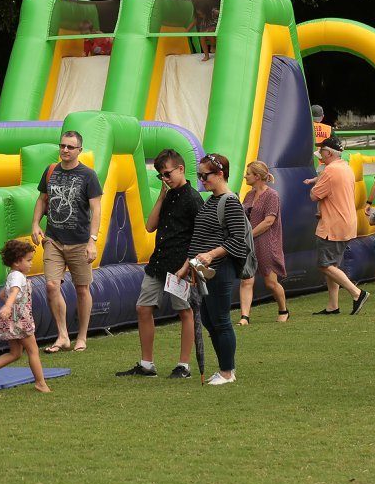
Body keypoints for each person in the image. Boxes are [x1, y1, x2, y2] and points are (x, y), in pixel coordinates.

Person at [117, 149, 202, 378]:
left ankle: (184, 366)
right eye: (160, 176)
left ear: (181, 169)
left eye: (167, 174)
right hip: (158, 263)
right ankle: (147, 365)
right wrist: (162, 195)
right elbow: (150, 226)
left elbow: (200, 237)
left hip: (180, 266)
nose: (165, 179)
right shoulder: (168, 194)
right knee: (143, 308)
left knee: (185, 312)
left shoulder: (193, 198)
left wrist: (188, 265)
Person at [181, 154, 252, 384]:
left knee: (220, 320)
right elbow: (200, 236)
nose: (202, 180)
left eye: (205, 175)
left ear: (220, 174)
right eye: (199, 175)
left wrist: (211, 255)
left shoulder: (229, 201)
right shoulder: (212, 200)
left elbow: (237, 240)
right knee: (210, 321)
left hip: (220, 269)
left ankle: (227, 371)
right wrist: (188, 265)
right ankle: (224, 368)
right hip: (203, 269)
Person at [31, 130, 103, 354]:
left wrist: (92, 241)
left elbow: (96, 209)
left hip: (80, 241)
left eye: (70, 147)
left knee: (82, 289)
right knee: (52, 286)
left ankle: (81, 336)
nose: (65, 150)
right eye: (62, 146)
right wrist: (35, 224)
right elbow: (42, 199)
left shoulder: (88, 175)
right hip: (53, 239)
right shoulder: (51, 170)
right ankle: (62, 335)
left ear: (79, 150)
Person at [0, 239, 50, 393]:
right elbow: (15, 291)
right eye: (29, 260)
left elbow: (3, 294)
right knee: (33, 350)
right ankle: (40, 383)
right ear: (17, 262)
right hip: (19, 319)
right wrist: (10, 306)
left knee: (15, 353)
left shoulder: (12, 274)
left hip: (13, 317)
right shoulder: (18, 276)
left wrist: (9, 305)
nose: (31, 263)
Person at [309, 136, 368, 315]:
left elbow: (314, 195)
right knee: (332, 265)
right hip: (346, 222)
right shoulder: (345, 167)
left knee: (324, 265)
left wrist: (315, 183)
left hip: (332, 225)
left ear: (328, 153)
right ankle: (333, 305)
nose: (320, 156)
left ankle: (357, 293)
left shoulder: (330, 171)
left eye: (322, 152)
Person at [239, 161, 288, 324]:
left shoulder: (272, 195)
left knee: (270, 282)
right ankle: (244, 317)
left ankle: (283, 309)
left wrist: (249, 235)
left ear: (257, 176)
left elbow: (268, 221)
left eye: (248, 173)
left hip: (267, 243)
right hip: (249, 243)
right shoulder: (249, 195)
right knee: (246, 279)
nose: (245, 176)